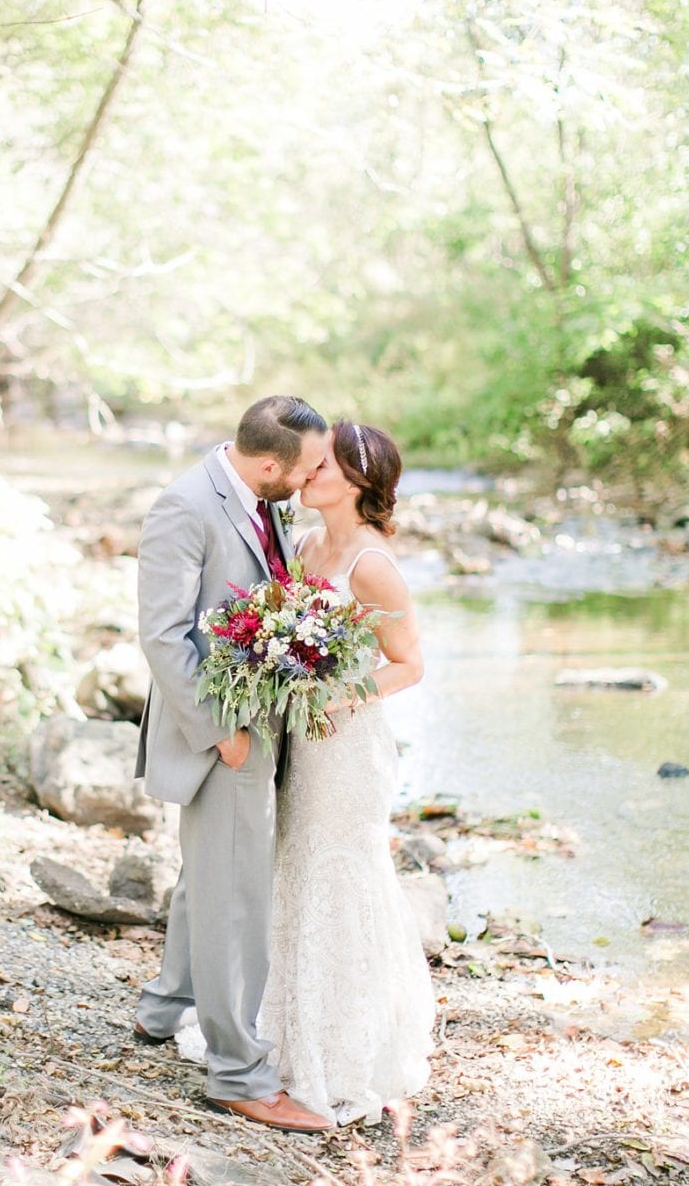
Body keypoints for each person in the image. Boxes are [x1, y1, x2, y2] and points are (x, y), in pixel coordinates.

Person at [132, 395, 333, 1133]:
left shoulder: (262, 496)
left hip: (261, 720)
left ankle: (164, 1007)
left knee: (207, 878)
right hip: (225, 732)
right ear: (272, 463)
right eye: (309, 467)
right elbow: (162, 636)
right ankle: (238, 1073)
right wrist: (223, 732)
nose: (315, 480)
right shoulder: (185, 507)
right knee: (235, 897)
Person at [260, 418, 435, 1125]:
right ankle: (285, 1035)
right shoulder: (303, 545)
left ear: (359, 481)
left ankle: (346, 1055)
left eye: (323, 465)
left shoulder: (371, 565)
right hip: (300, 741)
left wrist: (341, 694)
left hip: (349, 748)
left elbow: (411, 664)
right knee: (294, 868)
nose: (307, 472)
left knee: (338, 874)